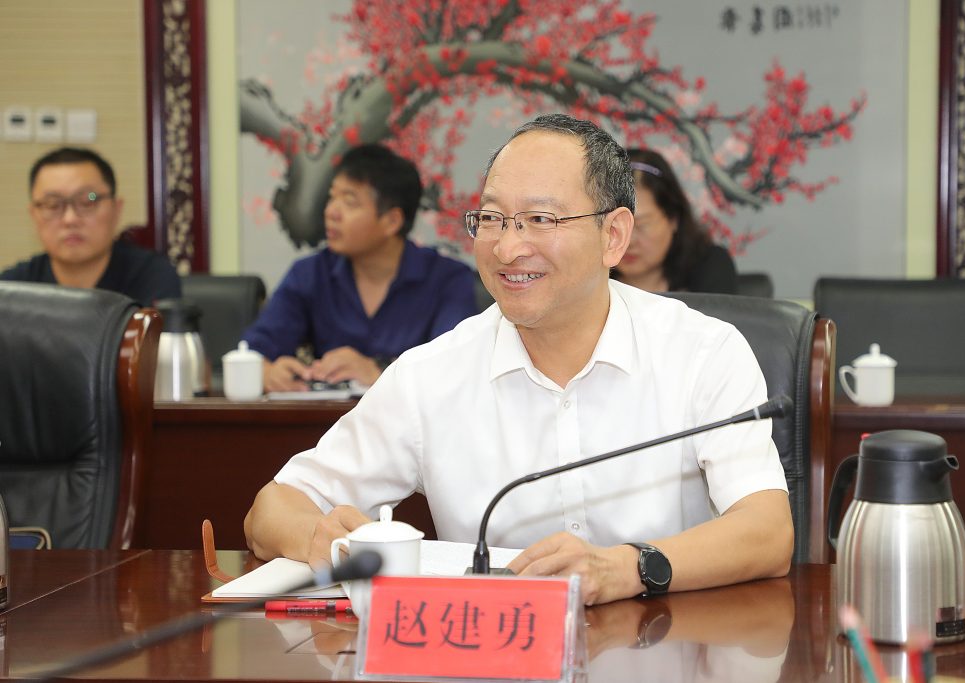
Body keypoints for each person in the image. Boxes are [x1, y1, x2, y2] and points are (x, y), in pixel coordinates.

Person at [244, 114, 792, 606]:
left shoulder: (702, 352)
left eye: (540, 219)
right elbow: (271, 508)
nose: (507, 248)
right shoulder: (431, 374)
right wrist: (317, 536)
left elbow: (768, 532)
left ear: (613, 236)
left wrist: (625, 568)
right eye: (492, 218)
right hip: (493, 657)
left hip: (669, 648)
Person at [241, 143, 477, 391]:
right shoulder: (310, 274)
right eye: (332, 198)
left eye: (349, 202)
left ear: (392, 221)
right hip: (328, 416)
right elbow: (252, 352)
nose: (331, 212)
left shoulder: (448, 280)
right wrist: (268, 374)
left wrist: (378, 371)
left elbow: (455, 368)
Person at [1, 147, 181, 305]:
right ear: (33, 215)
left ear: (116, 209)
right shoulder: (12, 289)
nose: (70, 219)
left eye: (88, 201)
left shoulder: (152, 277)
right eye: (53, 204)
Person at [613, 148, 737, 294]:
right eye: (614, 226)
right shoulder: (591, 280)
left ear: (673, 218)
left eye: (641, 225)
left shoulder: (710, 266)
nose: (628, 242)